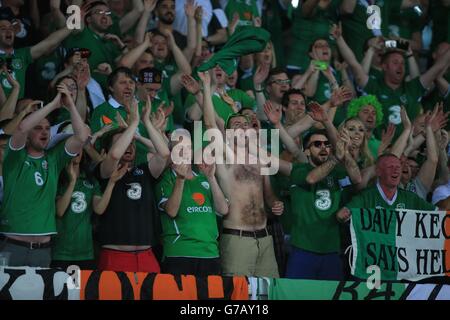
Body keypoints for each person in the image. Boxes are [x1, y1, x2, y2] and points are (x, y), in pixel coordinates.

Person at [198, 70, 284, 278]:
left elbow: (268, 195)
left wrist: (276, 204)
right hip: (237, 239)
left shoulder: (260, 160)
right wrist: (206, 88)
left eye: (245, 125)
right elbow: (210, 124)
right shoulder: (224, 158)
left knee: (268, 294)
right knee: (237, 297)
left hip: (265, 238)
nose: (242, 128)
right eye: (236, 125)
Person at [0, 83, 89, 267]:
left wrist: (70, 104)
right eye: (38, 128)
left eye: (47, 128)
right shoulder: (13, 157)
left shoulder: (54, 159)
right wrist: (53, 104)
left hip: (44, 249)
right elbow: (22, 128)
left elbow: (81, 137)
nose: (44, 132)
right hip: (13, 245)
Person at [96, 98, 169, 272]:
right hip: (114, 255)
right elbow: (114, 155)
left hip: (146, 255)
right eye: (123, 143)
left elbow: (165, 153)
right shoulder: (104, 171)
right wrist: (133, 123)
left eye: (132, 143)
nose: (129, 146)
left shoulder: (144, 171)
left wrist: (143, 125)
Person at [156, 130, 229, 276]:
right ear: (172, 153)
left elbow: (223, 210)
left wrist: (211, 178)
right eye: (179, 148)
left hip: (210, 253)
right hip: (180, 253)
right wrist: (180, 179)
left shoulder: (203, 178)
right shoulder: (165, 178)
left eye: (189, 148)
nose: (185, 152)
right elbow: (171, 211)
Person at [51, 151, 120, 270]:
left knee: (80, 289)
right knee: (63, 288)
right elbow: (60, 211)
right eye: (74, 147)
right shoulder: (57, 177)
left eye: (79, 148)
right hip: (61, 253)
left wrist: (111, 183)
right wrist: (72, 182)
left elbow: (99, 209)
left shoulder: (90, 180)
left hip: (85, 253)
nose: (76, 151)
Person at [336, 154, 436, 224]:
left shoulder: (410, 198)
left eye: (398, 167)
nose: (396, 170)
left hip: (400, 253)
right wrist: (343, 215)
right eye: (390, 167)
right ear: (378, 172)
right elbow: (342, 215)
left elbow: (439, 214)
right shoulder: (366, 196)